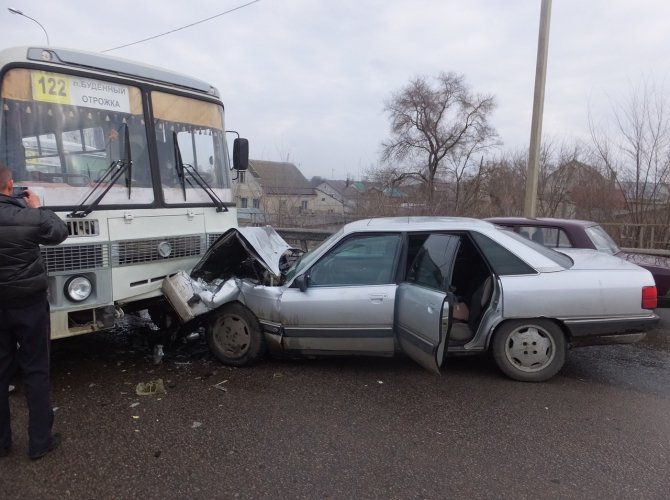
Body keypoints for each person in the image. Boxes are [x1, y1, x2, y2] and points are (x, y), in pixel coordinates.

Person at [0, 164, 68, 459]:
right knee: (35, 370)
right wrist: (39, 207)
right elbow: (59, 232)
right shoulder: (28, 216)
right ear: (10, 184)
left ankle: (2, 443)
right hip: (28, 304)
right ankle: (40, 441)